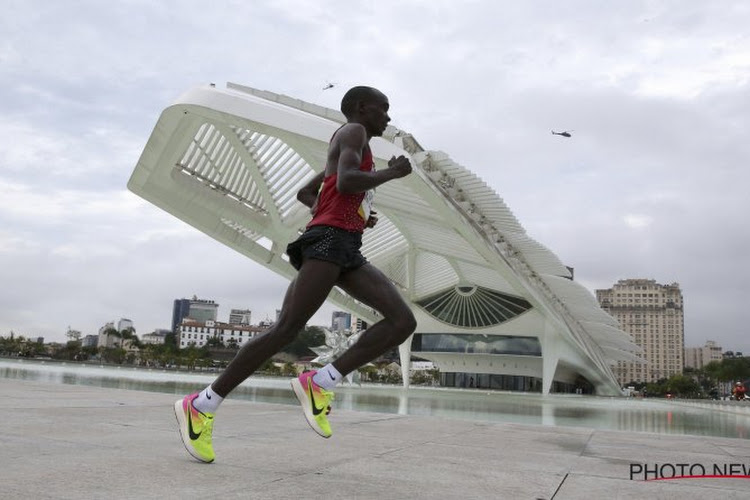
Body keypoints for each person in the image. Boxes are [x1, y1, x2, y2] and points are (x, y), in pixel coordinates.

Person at [174, 86, 416, 463]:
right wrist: (391, 174)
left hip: (344, 245)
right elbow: (349, 180)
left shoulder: (353, 143)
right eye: (383, 110)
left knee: (402, 321)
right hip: (328, 244)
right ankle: (202, 404)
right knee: (286, 329)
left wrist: (349, 211)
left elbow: (308, 191)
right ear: (361, 108)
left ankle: (321, 381)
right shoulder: (353, 132)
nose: (388, 117)